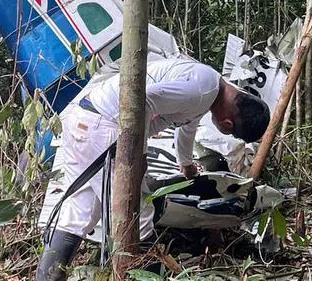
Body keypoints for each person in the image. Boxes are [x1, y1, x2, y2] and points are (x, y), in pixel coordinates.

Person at [36, 56, 270, 281]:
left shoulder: (210, 86)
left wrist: (186, 164)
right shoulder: (200, 91)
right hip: (104, 127)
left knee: (81, 212)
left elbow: (186, 128)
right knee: (137, 216)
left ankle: (49, 276)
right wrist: (140, 155)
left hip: (88, 119)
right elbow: (141, 99)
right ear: (228, 125)